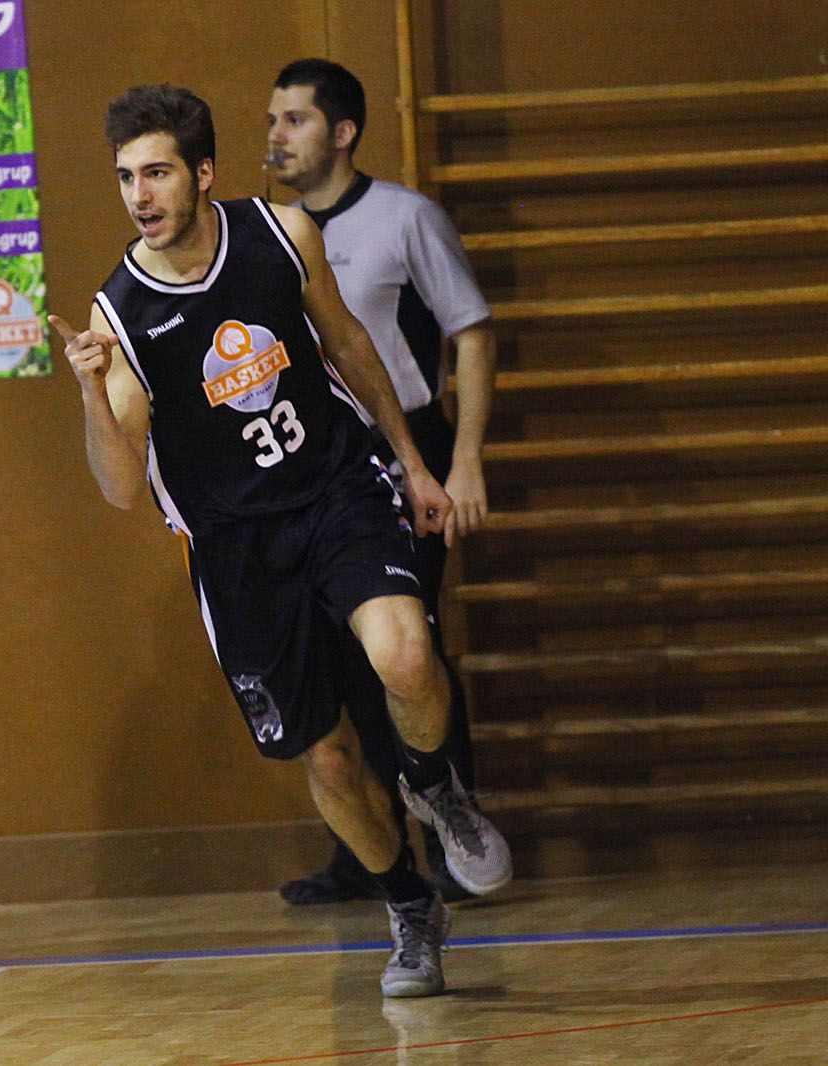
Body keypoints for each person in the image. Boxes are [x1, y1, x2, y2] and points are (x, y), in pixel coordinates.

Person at [51, 85, 509, 998]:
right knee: (328, 755)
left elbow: (350, 348)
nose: (140, 194)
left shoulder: (281, 232)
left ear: (204, 173)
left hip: (337, 487)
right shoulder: (119, 316)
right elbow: (115, 487)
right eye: (125, 178)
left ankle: (434, 784)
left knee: (408, 658)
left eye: (157, 173)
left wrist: (415, 465)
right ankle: (409, 906)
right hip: (234, 546)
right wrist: (91, 392)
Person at [265, 59, 497, 907]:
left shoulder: (406, 218)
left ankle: (452, 845)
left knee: (407, 649)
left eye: (294, 119)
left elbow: (471, 334)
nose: (276, 137)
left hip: (402, 446)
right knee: (331, 664)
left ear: (343, 130)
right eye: (271, 120)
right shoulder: (266, 236)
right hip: (308, 463)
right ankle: (365, 854)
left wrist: (459, 459)